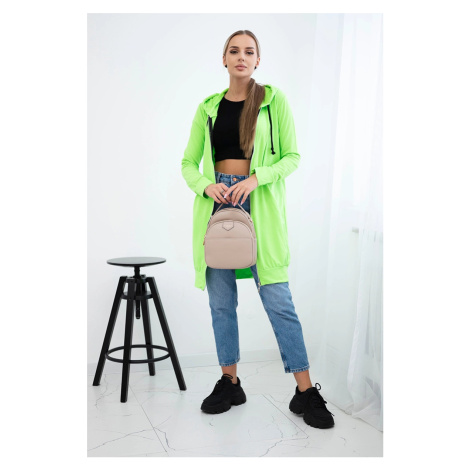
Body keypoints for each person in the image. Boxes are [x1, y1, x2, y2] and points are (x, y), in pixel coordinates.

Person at [181, 30, 334, 429]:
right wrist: (206, 186)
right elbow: (188, 164)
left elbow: (292, 156)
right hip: (217, 206)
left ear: (257, 60)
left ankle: (305, 391)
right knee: (221, 303)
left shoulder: (272, 100)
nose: (241, 57)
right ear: (224, 59)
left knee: (278, 300)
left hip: (259, 205)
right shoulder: (208, 107)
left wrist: (256, 178)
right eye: (234, 51)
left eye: (249, 51)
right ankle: (230, 383)